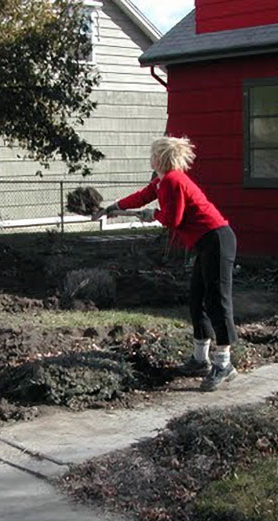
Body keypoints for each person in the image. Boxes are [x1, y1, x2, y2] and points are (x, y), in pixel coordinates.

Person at [95, 136, 238, 391]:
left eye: (152, 155)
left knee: (217, 300)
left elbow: (173, 219)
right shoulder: (162, 181)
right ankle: (199, 359)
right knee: (197, 299)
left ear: (159, 158)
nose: (149, 158)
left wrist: (153, 215)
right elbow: (142, 196)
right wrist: (114, 207)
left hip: (217, 239)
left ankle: (223, 363)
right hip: (206, 242)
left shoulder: (173, 180)